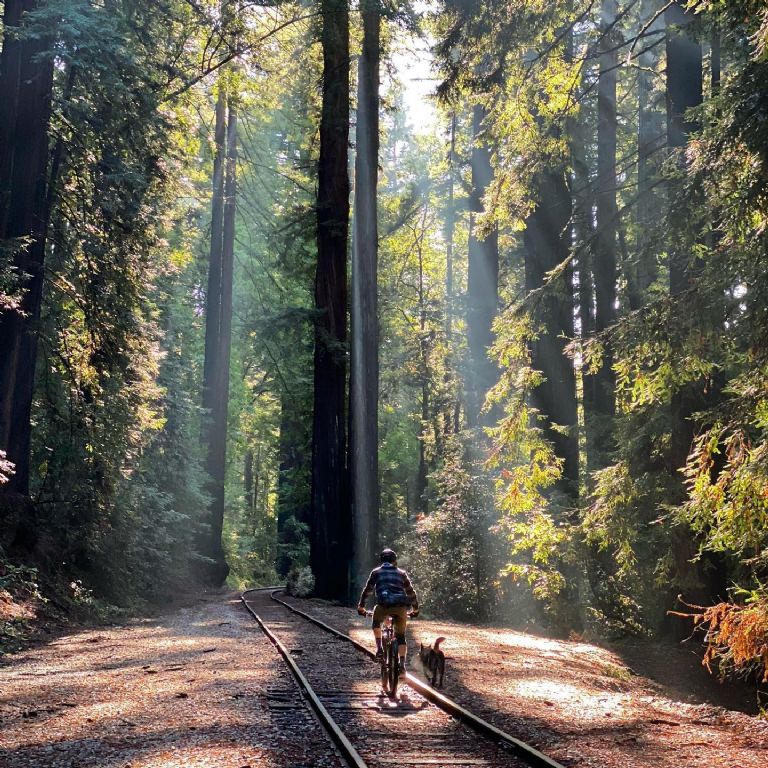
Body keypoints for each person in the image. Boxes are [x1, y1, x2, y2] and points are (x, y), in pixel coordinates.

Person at [357, 548, 419, 676]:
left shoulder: (376, 572)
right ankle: (402, 667)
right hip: (401, 607)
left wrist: (361, 607)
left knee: (376, 622)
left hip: (383, 606)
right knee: (401, 637)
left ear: (381, 560)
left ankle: (379, 648)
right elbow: (411, 592)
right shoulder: (401, 573)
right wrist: (415, 609)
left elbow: (367, 591)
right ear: (394, 561)